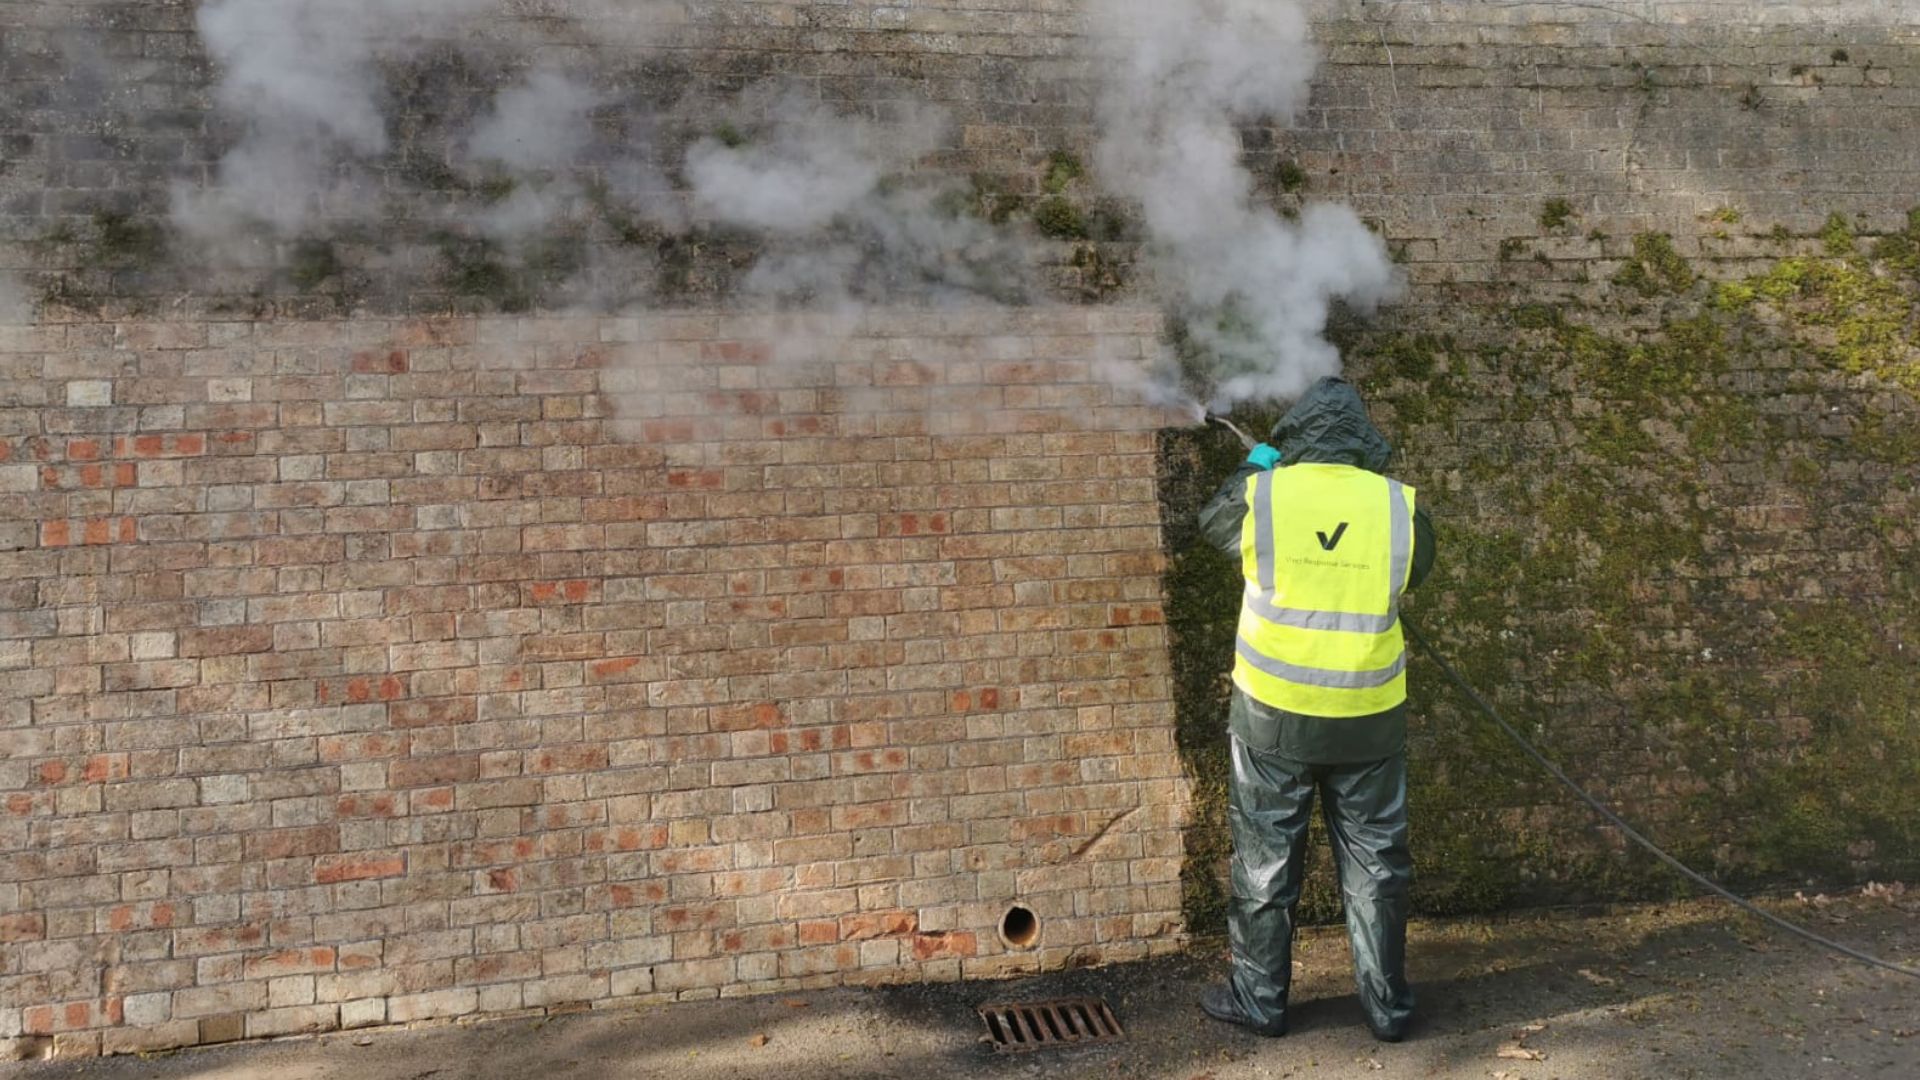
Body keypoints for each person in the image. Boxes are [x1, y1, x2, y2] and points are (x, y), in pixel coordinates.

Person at [1194, 376, 1436, 1042]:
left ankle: (1261, 1002)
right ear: (1362, 439)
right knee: (1378, 868)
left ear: (1297, 430)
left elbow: (1212, 524)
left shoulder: (1264, 493)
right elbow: (1417, 569)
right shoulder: (1397, 504)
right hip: (1369, 720)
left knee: (1266, 866)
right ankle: (1387, 1008)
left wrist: (1258, 461)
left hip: (1274, 718)